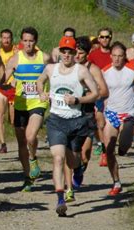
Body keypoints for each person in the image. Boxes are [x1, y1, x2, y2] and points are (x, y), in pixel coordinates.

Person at [37, 36, 98, 216]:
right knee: (58, 158)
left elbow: (95, 94)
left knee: (73, 160)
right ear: (59, 52)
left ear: (74, 53)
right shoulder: (50, 68)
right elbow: (40, 81)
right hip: (56, 121)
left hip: (76, 121)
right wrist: (42, 93)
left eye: (70, 51)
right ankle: (60, 199)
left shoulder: (81, 71)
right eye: (63, 51)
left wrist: (77, 99)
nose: (66, 55)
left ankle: (78, 169)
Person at [5, 26, 51, 192]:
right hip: (20, 103)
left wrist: (50, 93)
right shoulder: (16, 59)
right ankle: (27, 178)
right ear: (21, 42)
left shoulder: (44, 58)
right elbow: (4, 77)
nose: (28, 44)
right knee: (21, 142)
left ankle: (33, 158)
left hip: (38, 102)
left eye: (31, 41)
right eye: (25, 41)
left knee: (30, 136)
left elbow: (57, 74)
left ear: (36, 42)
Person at [102, 41, 134, 196]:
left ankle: (124, 146)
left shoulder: (133, 70)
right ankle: (116, 182)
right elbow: (99, 90)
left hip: (128, 114)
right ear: (110, 56)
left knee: (123, 149)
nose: (117, 59)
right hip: (111, 114)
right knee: (108, 150)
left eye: (120, 56)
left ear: (124, 57)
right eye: (114, 56)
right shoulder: (105, 72)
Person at [73, 36, 109, 188]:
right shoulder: (69, 67)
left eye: (80, 53)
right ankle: (71, 177)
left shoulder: (93, 69)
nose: (76, 56)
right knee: (71, 149)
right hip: (71, 112)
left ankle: (80, 171)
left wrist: (91, 97)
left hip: (87, 113)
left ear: (87, 54)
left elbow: (105, 91)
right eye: (75, 52)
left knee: (85, 154)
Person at [87, 27, 113, 166]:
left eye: (107, 37)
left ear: (111, 38)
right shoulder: (93, 55)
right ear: (98, 38)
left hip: (114, 93)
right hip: (100, 94)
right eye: (102, 37)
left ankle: (109, 148)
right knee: (100, 123)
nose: (104, 39)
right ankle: (104, 152)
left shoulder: (115, 54)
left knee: (113, 124)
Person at [0, 29, 17, 154]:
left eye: (8, 38)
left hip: (14, 87)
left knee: (13, 120)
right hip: (2, 88)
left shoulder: (17, 52)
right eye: (4, 38)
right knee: (0, 114)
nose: (6, 40)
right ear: (0, 39)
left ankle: (20, 140)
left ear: (12, 39)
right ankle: (3, 144)